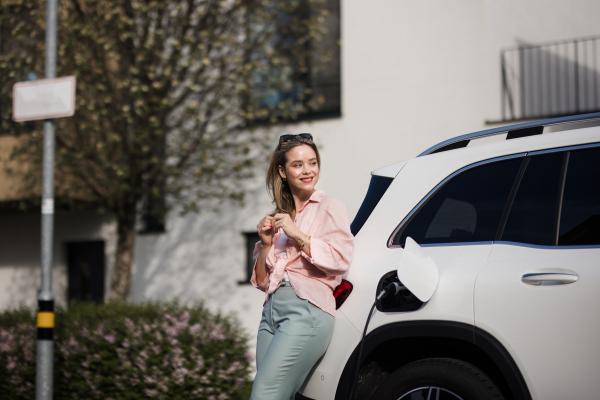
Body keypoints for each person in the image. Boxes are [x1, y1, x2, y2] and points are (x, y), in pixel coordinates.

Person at [250, 133, 354, 400]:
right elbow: (262, 282)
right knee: (274, 393)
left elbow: (340, 260)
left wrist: (297, 234)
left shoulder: (329, 206)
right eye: (298, 165)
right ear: (283, 171)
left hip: (305, 310)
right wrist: (264, 245)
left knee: (265, 394)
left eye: (312, 162)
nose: (308, 170)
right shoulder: (277, 218)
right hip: (270, 315)